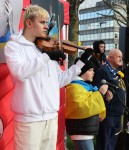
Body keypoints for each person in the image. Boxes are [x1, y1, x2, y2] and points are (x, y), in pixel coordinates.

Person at [4, 5, 93, 150]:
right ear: (29, 23)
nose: (47, 26)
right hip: (29, 121)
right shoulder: (14, 47)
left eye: (47, 22)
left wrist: (79, 65)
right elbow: (19, 72)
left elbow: (59, 81)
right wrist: (46, 57)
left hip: (51, 118)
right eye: (42, 22)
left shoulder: (46, 48)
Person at [65, 58, 113, 150]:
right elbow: (81, 107)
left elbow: (91, 106)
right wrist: (100, 94)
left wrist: (105, 100)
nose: (93, 73)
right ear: (82, 71)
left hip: (85, 131)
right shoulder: (74, 86)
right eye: (90, 70)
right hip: (81, 132)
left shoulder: (85, 86)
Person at [93, 49, 126, 150]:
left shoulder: (117, 72)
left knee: (111, 144)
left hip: (117, 113)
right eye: (118, 56)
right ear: (110, 57)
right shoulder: (103, 70)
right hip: (108, 114)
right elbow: (96, 90)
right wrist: (104, 96)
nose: (121, 59)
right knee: (104, 143)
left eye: (121, 56)